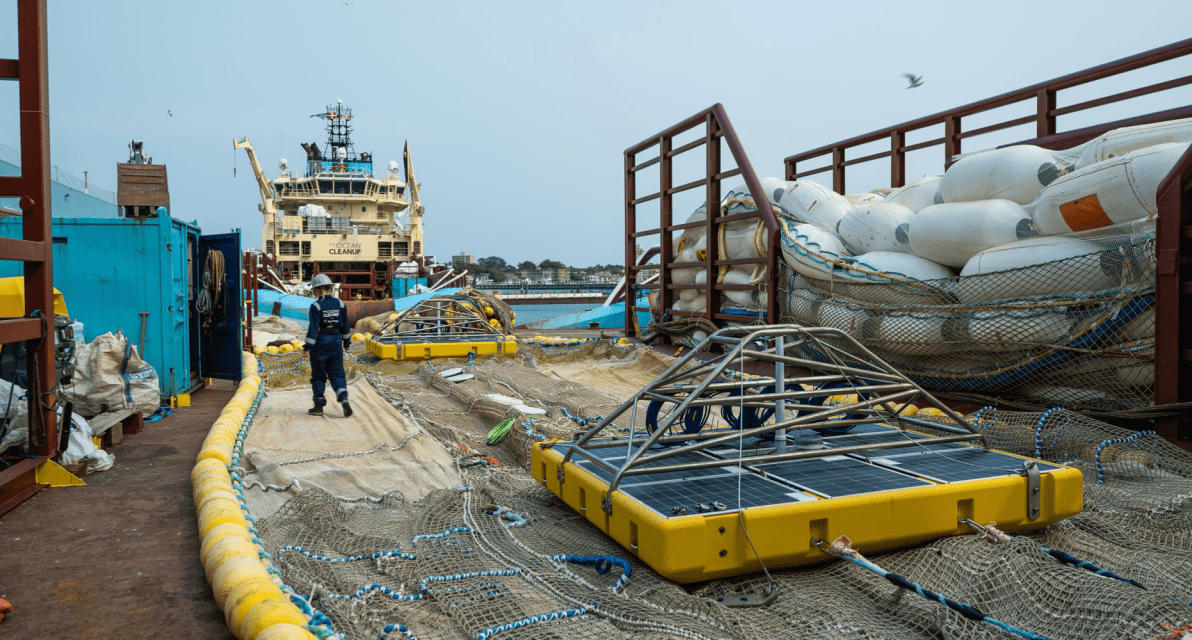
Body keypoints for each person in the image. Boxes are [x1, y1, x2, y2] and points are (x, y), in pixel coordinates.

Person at [303, 273, 353, 417]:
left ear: (317, 290)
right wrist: (347, 343)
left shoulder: (316, 306)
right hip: (336, 342)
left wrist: (307, 347)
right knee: (337, 373)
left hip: (321, 342)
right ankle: (343, 398)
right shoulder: (341, 304)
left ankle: (318, 407)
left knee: (318, 375)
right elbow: (345, 326)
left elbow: (313, 330)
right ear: (330, 288)